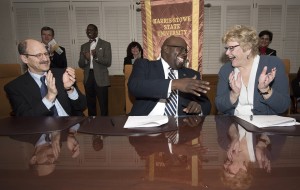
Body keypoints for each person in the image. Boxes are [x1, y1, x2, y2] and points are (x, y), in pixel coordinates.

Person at [215, 25, 290, 116]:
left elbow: (283, 106)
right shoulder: (226, 70)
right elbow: (220, 106)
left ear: (248, 48)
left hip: (265, 125)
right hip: (233, 123)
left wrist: (265, 90)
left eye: (231, 48)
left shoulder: (273, 64)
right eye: (227, 48)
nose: (227, 53)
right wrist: (233, 94)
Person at [128, 36, 211, 116]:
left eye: (186, 51)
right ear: (166, 49)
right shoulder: (145, 65)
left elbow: (206, 103)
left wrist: (199, 107)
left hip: (181, 125)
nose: (184, 53)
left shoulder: (192, 75)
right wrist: (173, 84)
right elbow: (135, 86)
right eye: (181, 48)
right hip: (146, 123)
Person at [4, 39, 86, 117]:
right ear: (25, 58)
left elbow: (82, 106)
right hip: (43, 129)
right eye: (38, 55)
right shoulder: (14, 87)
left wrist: (69, 90)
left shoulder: (62, 74)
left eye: (46, 54)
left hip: (72, 127)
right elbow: (25, 120)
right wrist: (49, 98)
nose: (45, 59)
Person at [78, 24, 112, 116]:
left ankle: (105, 125)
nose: (89, 32)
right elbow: (80, 64)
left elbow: (108, 62)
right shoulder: (84, 46)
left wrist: (96, 57)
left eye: (91, 30)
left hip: (101, 78)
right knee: (90, 104)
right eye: (87, 30)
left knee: (103, 104)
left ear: (96, 31)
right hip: (88, 77)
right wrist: (86, 59)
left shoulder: (105, 44)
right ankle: (92, 124)